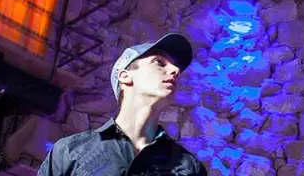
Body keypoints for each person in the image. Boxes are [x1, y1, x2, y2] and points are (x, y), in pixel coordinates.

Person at [37, 33, 207, 175]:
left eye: (177, 68)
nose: (175, 71)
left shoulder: (189, 168)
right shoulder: (70, 151)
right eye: (159, 62)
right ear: (125, 76)